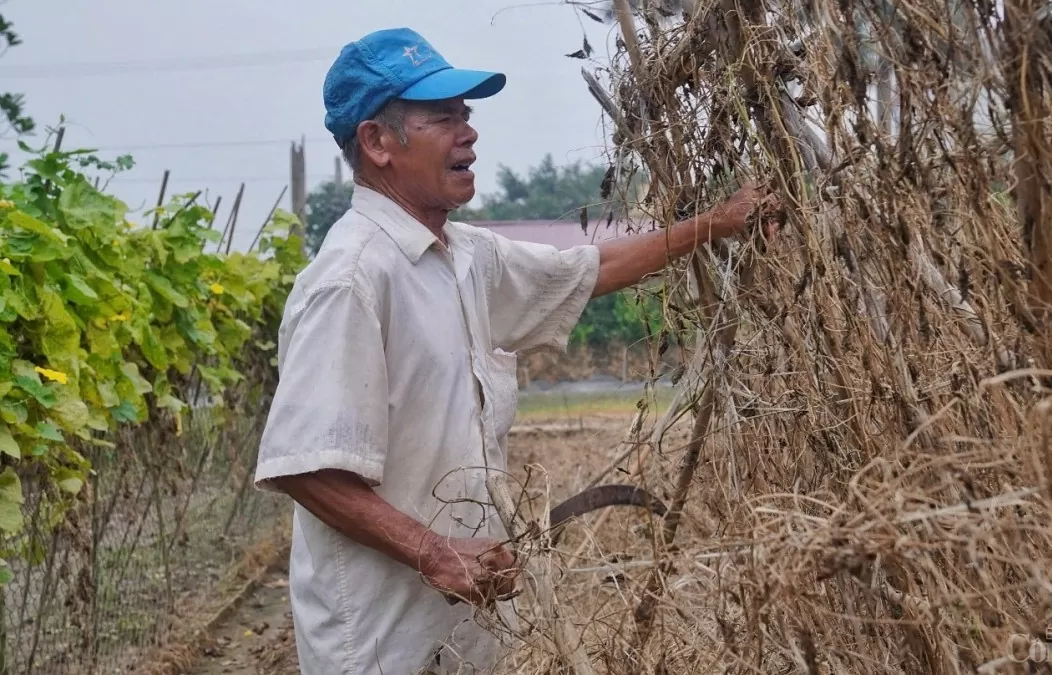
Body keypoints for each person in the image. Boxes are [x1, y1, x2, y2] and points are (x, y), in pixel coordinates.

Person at [253, 27, 774, 675]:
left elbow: (590, 268)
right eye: (442, 117)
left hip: (461, 628)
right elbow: (304, 466)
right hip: (383, 642)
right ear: (377, 142)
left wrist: (716, 222)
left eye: (466, 115)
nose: (467, 131)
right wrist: (436, 552)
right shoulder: (352, 279)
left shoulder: (466, 259)